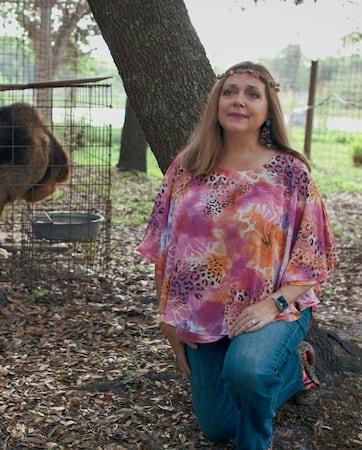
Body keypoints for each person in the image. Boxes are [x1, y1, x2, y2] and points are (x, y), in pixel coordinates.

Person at [137, 61, 339, 449]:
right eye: (230, 91)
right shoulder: (188, 167)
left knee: (247, 371)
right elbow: (164, 246)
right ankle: (294, 375)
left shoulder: (290, 171)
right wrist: (166, 316)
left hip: (274, 306)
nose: (239, 101)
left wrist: (273, 305)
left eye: (252, 93)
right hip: (202, 311)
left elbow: (312, 256)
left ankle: (257, 427)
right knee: (217, 427)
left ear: (268, 109)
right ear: (217, 102)